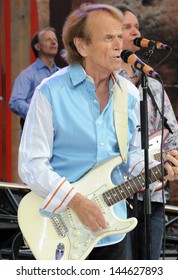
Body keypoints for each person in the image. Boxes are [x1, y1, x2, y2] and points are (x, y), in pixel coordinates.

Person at [18, 3, 178, 260]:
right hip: (61, 229)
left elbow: (132, 155)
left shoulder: (129, 94)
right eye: (108, 38)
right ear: (82, 46)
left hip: (113, 231)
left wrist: (157, 168)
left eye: (119, 36)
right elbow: (31, 165)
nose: (119, 45)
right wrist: (76, 202)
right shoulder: (50, 93)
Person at [117, 4, 178, 259]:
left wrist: (170, 157)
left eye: (136, 27)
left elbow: (172, 132)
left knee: (150, 264)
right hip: (117, 195)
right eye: (127, 27)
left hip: (153, 193)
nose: (135, 31)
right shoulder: (109, 80)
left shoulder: (152, 82)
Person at [9, 27, 59, 130]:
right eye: (48, 40)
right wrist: (38, 114)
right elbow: (15, 102)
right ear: (37, 46)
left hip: (59, 135)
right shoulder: (27, 75)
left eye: (55, 40)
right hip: (35, 133)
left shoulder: (62, 74)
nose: (53, 42)